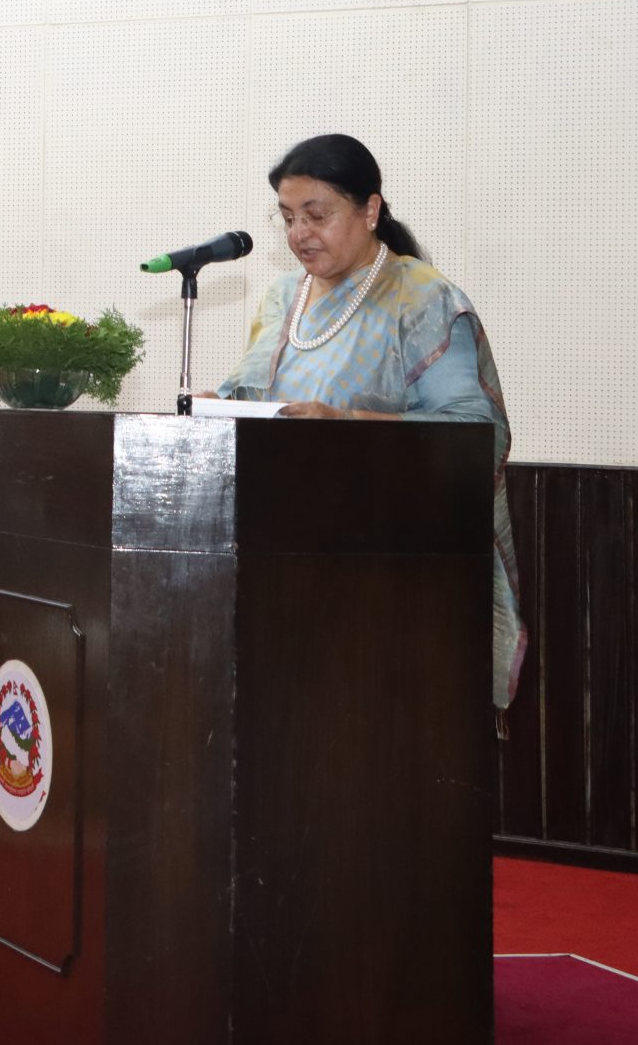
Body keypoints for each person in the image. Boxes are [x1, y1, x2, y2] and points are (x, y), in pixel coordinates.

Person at [217, 133, 527, 717]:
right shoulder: (283, 298)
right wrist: (217, 405)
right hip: (276, 561)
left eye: (317, 215)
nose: (299, 234)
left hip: (391, 571)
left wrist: (346, 423)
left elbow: (472, 433)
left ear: (370, 209)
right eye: (288, 217)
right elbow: (257, 399)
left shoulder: (423, 298)